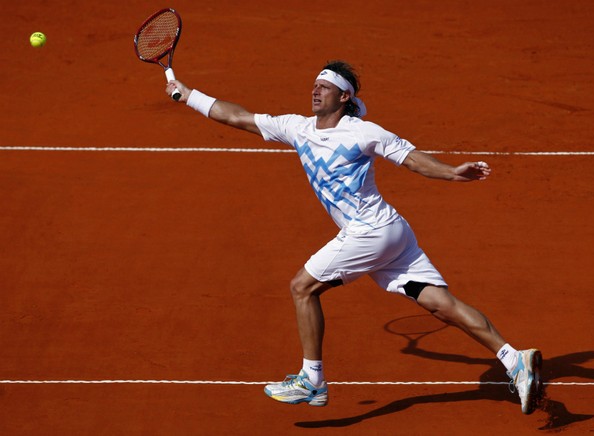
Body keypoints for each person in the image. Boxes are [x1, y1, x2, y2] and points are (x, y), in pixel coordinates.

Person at [165, 60, 542, 414]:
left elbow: (411, 158)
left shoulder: (364, 132)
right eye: (314, 86)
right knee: (441, 304)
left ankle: (312, 380)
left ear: (344, 97)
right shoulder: (297, 128)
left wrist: (452, 173)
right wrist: (189, 94)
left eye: (324, 87)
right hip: (391, 232)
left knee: (302, 287)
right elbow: (238, 117)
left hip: (371, 232)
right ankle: (515, 359)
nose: (315, 92)